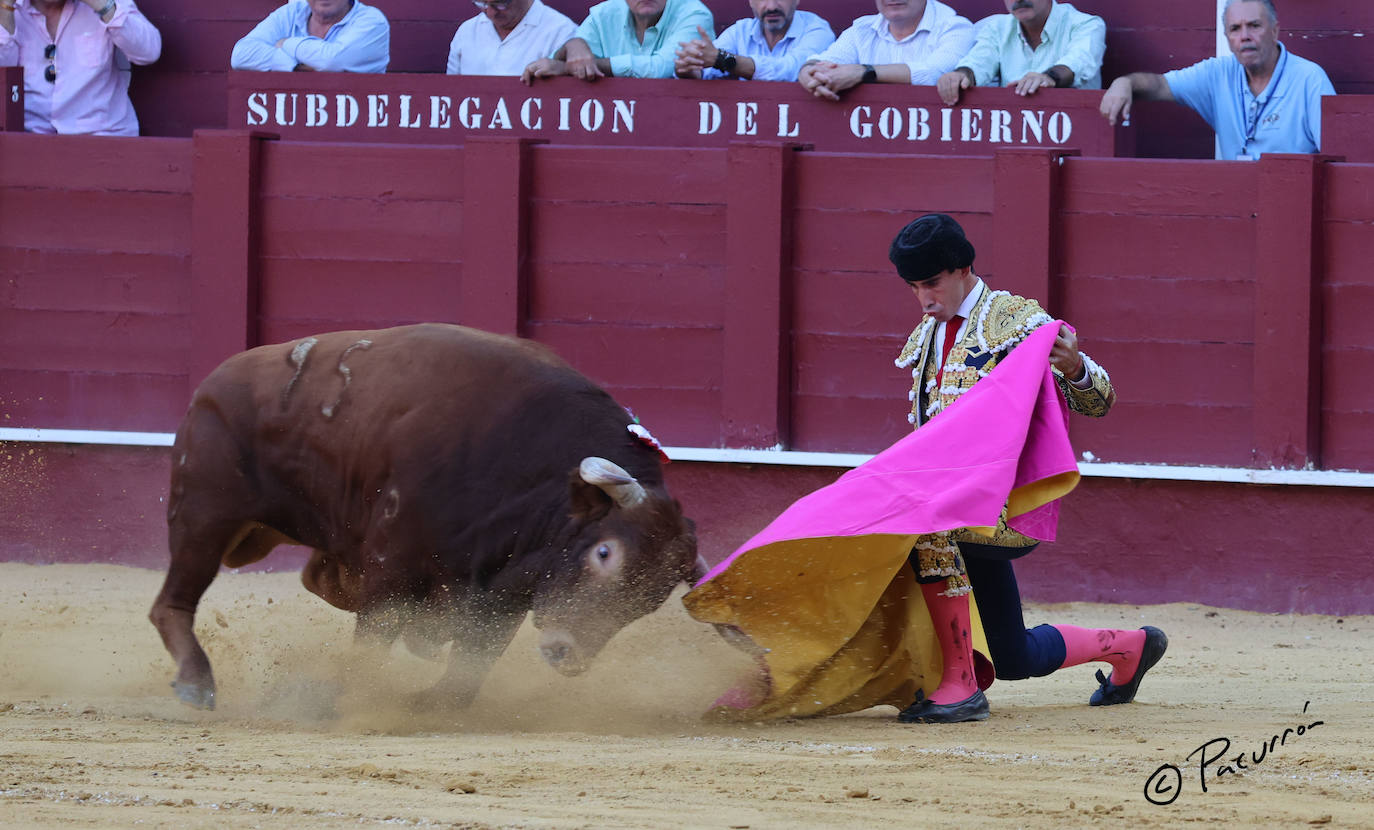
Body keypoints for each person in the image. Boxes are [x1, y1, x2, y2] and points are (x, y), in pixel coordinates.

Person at [887, 214, 1167, 723]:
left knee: (924, 533)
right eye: (914, 287)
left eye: (932, 283)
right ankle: (1129, 647)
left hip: (1005, 507)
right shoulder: (930, 332)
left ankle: (960, 684)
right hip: (954, 503)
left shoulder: (1016, 323)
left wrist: (1076, 367)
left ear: (964, 269)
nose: (924, 299)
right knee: (1014, 658)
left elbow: (1099, 402)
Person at [1099, 0, 1333, 160]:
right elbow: (1160, 85)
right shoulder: (1217, 74)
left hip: (1294, 204)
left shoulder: (1309, 79)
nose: (1245, 37)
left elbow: (1336, 156)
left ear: (1275, 30)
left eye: (1254, 26)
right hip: (1237, 205)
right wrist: (1124, 82)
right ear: (1227, 37)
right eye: (1235, 29)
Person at [0, 0, 161, 135]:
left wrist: (103, 7)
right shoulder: (8, 7)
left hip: (103, 137)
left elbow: (148, 52)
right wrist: (5, 10)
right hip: (30, 141)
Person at [936, 0, 1104, 106]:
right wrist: (960, 75)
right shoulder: (997, 28)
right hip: (1013, 134)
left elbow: (1078, 62)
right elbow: (978, 63)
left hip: (1074, 134)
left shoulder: (1087, 24)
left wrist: (1048, 78)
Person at [796, 0, 971, 102]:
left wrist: (864, 72)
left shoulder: (956, 27)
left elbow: (934, 72)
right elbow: (825, 61)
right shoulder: (862, 29)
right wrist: (809, 71)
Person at [520, 0, 712, 84]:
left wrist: (573, 68)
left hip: (674, 127)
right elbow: (559, 63)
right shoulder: (603, 14)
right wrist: (572, 45)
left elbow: (660, 69)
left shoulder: (694, 13)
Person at [672, 0, 833, 82]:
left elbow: (791, 71)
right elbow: (704, 69)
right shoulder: (740, 31)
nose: (771, 6)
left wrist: (723, 60)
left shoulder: (816, 29)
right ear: (750, 1)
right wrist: (687, 67)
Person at [230, 0, 390, 74]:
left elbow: (333, 61)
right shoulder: (291, 12)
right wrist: (296, 67)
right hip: (289, 127)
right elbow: (240, 55)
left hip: (354, 132)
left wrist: (287, 43)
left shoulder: (372, 21)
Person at [447, 0, 576, 76]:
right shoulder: (467, 31)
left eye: (500, 4)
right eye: (482, 3)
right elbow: (450, 92)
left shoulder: (562, 32)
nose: (490, 13)